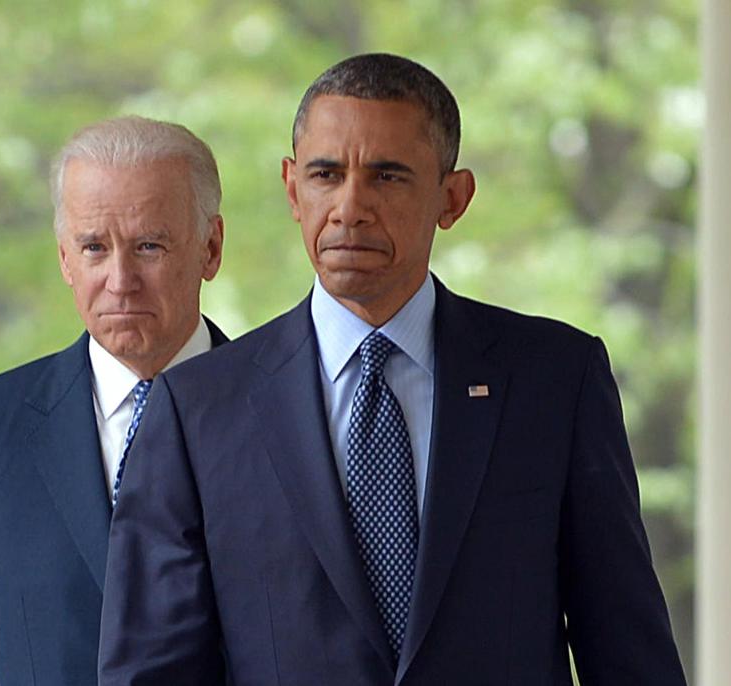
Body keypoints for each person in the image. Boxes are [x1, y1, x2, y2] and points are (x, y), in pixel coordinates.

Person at [99, 54, 687, 685]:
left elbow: (628, 650)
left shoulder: (555, 380)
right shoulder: (196, 406)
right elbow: (151, 670)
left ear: (453, 197)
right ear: (293, 189)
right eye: (327, 174)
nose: (351, 207)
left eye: (387, 176)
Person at [0, 116, 227, 685]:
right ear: (65, 260)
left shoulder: (292, 416)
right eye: (94, 247)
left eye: (149, 245)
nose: (120, 280)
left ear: (210, 248)